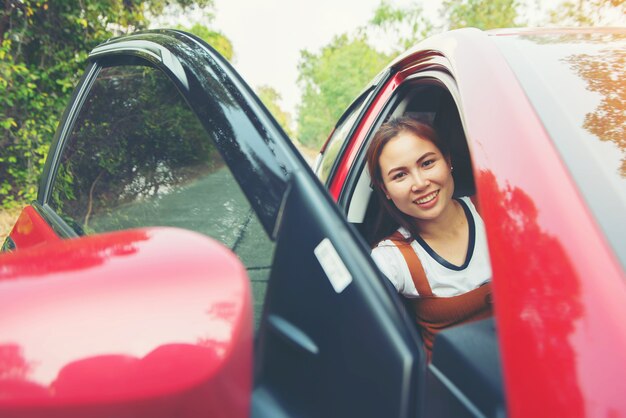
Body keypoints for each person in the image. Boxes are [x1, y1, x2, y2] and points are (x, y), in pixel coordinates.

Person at [367, 116, 492, 361]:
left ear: (448, 161)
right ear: (386, 190)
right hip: (458, 390)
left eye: (427, 163)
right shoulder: (392, 258)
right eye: (400, 175)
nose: (420, 183)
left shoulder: (494, 207)